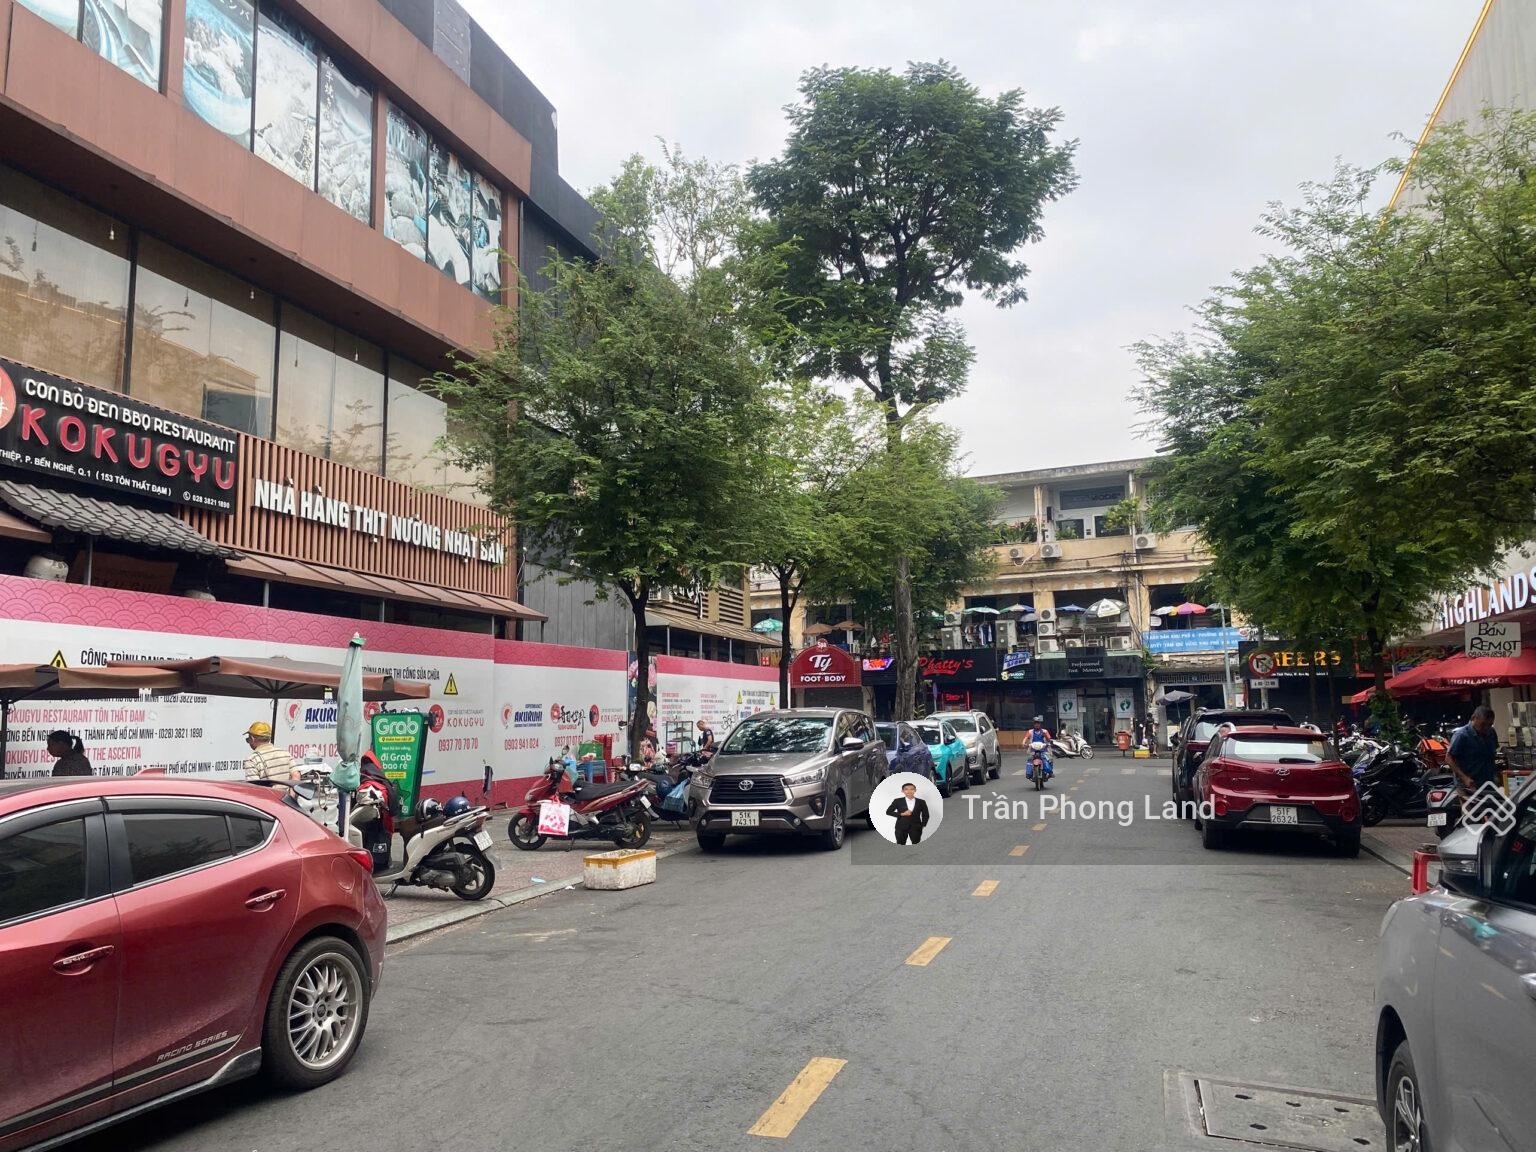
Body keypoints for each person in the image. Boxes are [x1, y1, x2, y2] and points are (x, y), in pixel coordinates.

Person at [1448, 704, 1499, 793]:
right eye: (1483, 724)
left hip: (1489, 783)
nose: (1486, 728)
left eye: (1490, 725)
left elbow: (1493, 753)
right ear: (1473, 718)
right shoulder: (1462, 735)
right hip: (1469, 785)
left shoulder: (1491, 732)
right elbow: (1448, 758)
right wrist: (1464, 778)